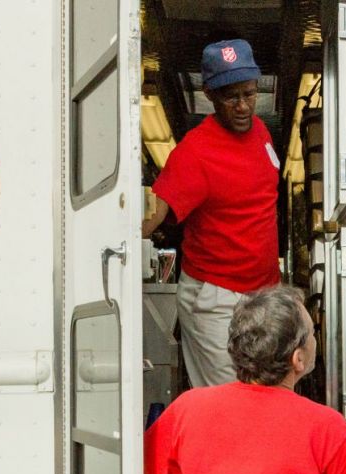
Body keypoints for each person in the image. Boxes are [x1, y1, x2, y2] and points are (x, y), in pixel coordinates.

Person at [142, 38, 281, 387]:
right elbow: (151, 218)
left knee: (266, 396)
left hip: (264, 294)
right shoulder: (194, 152)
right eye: (230, 96)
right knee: (230, 400)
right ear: (209, 94)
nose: (243, 106)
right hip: (216, 300)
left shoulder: (261, 132)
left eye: (249, 94)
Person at [144, 285, 346, 474]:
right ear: (299, 358)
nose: (316, 338)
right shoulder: (327, 427)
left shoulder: (187, 408)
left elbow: (141, 470)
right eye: (312, 333)